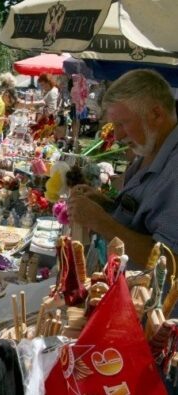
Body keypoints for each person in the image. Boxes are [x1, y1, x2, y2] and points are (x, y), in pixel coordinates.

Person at [68, 69, 178, 268]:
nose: (117, 136)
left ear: (156, 114)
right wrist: (106, 205)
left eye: (122, 124)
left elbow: (170, 263)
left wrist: (101, 222)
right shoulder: (150, 150)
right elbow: (142, 222)